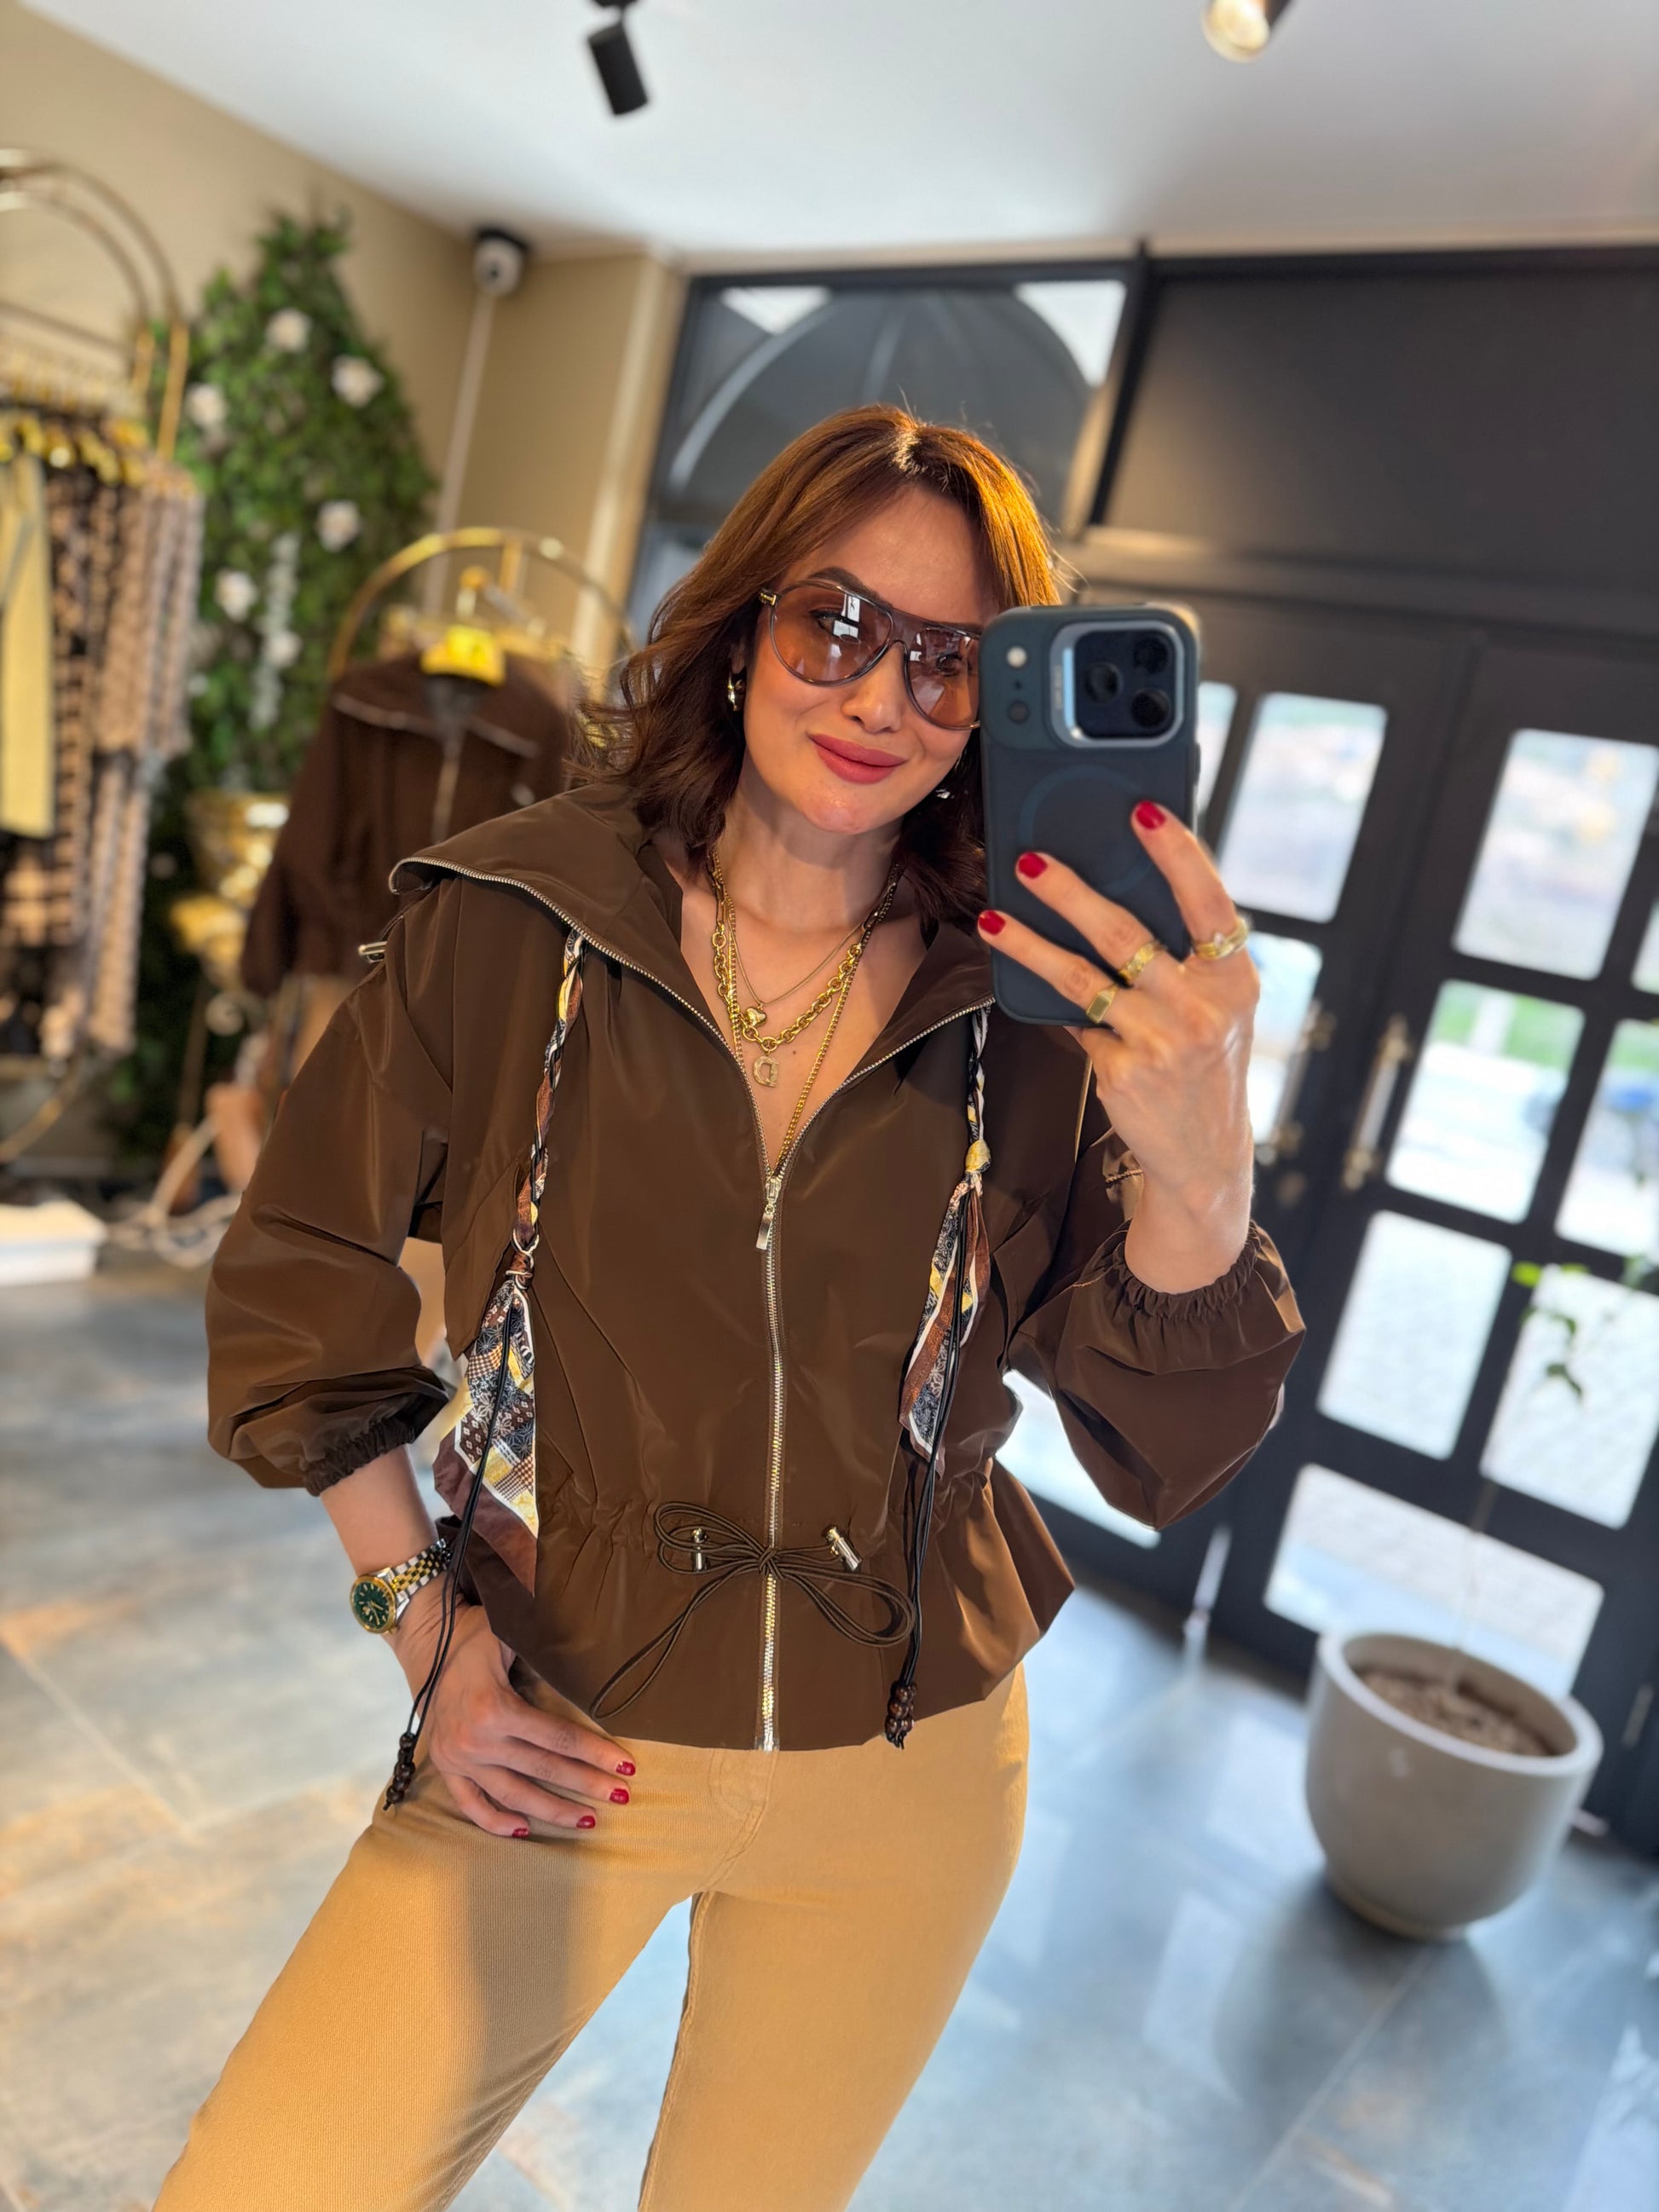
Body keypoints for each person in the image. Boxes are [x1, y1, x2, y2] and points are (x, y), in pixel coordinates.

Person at [158, 404, 1304, 2211]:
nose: (879, 696)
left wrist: (1205, 1164)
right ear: (743, 624)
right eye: (835, 622)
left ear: (996, 707)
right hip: (564, 1723)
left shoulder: (1036, 1015)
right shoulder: (513, 918)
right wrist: (425, 1634)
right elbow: (298, 1277)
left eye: (947, 660)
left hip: (910, 1768)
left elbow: (1162, 1442)